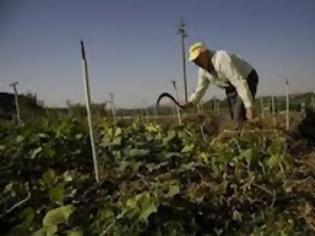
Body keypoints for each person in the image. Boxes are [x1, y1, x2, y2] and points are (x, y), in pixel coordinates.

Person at [183, 42, 259, 125]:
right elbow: (200, 88)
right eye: (194, 61)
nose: (196, 63)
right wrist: (191, 102)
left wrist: (249, 107)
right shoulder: (203, 71)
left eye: (197, 59)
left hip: (246, 77)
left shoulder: (221, 59)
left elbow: (239, 81)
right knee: (235, 116)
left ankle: (253, 129)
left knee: (240, 115)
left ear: (204, 54)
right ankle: (247, 128)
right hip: (231, 86)